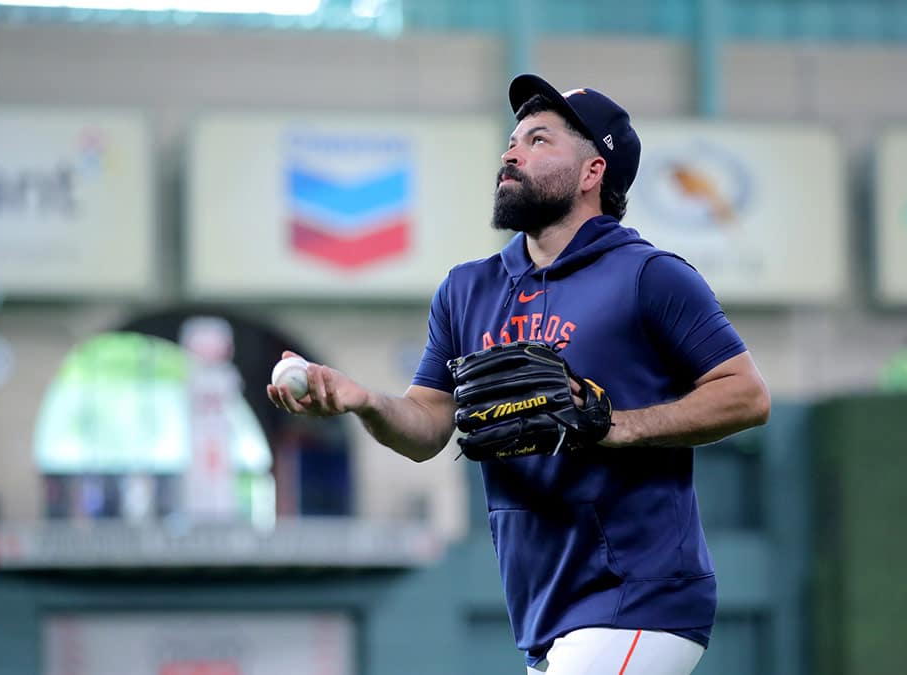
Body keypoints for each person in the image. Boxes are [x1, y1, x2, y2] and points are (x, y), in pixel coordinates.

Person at [268, 74, 771, 675]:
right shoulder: (467, 288)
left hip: (641, 594)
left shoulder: (650, 275)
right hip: (540, 605)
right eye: (512, 141)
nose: (511, 153)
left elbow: (746, 395)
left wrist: (617, 425)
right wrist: (362, 401)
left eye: (538, 140)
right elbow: (427, 428)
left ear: (592, 173)